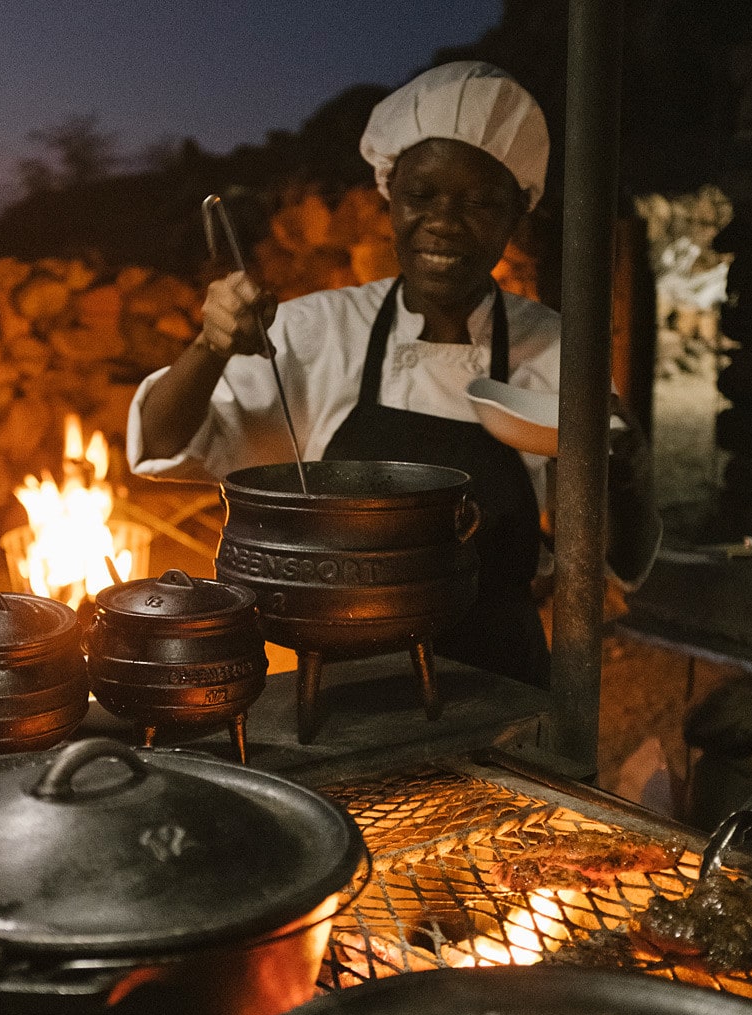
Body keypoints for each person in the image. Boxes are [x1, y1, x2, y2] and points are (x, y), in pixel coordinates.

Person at [126, 60, 662, 689]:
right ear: (389, 194)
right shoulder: (318, 331)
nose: (445, 222)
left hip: (503, 683)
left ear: (520, 212)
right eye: (422, 195)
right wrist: (210, 346)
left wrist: (623, 461)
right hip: (346, 684)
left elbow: (622, 558)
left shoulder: (559, 351)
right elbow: (161, 445)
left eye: (483, 202)